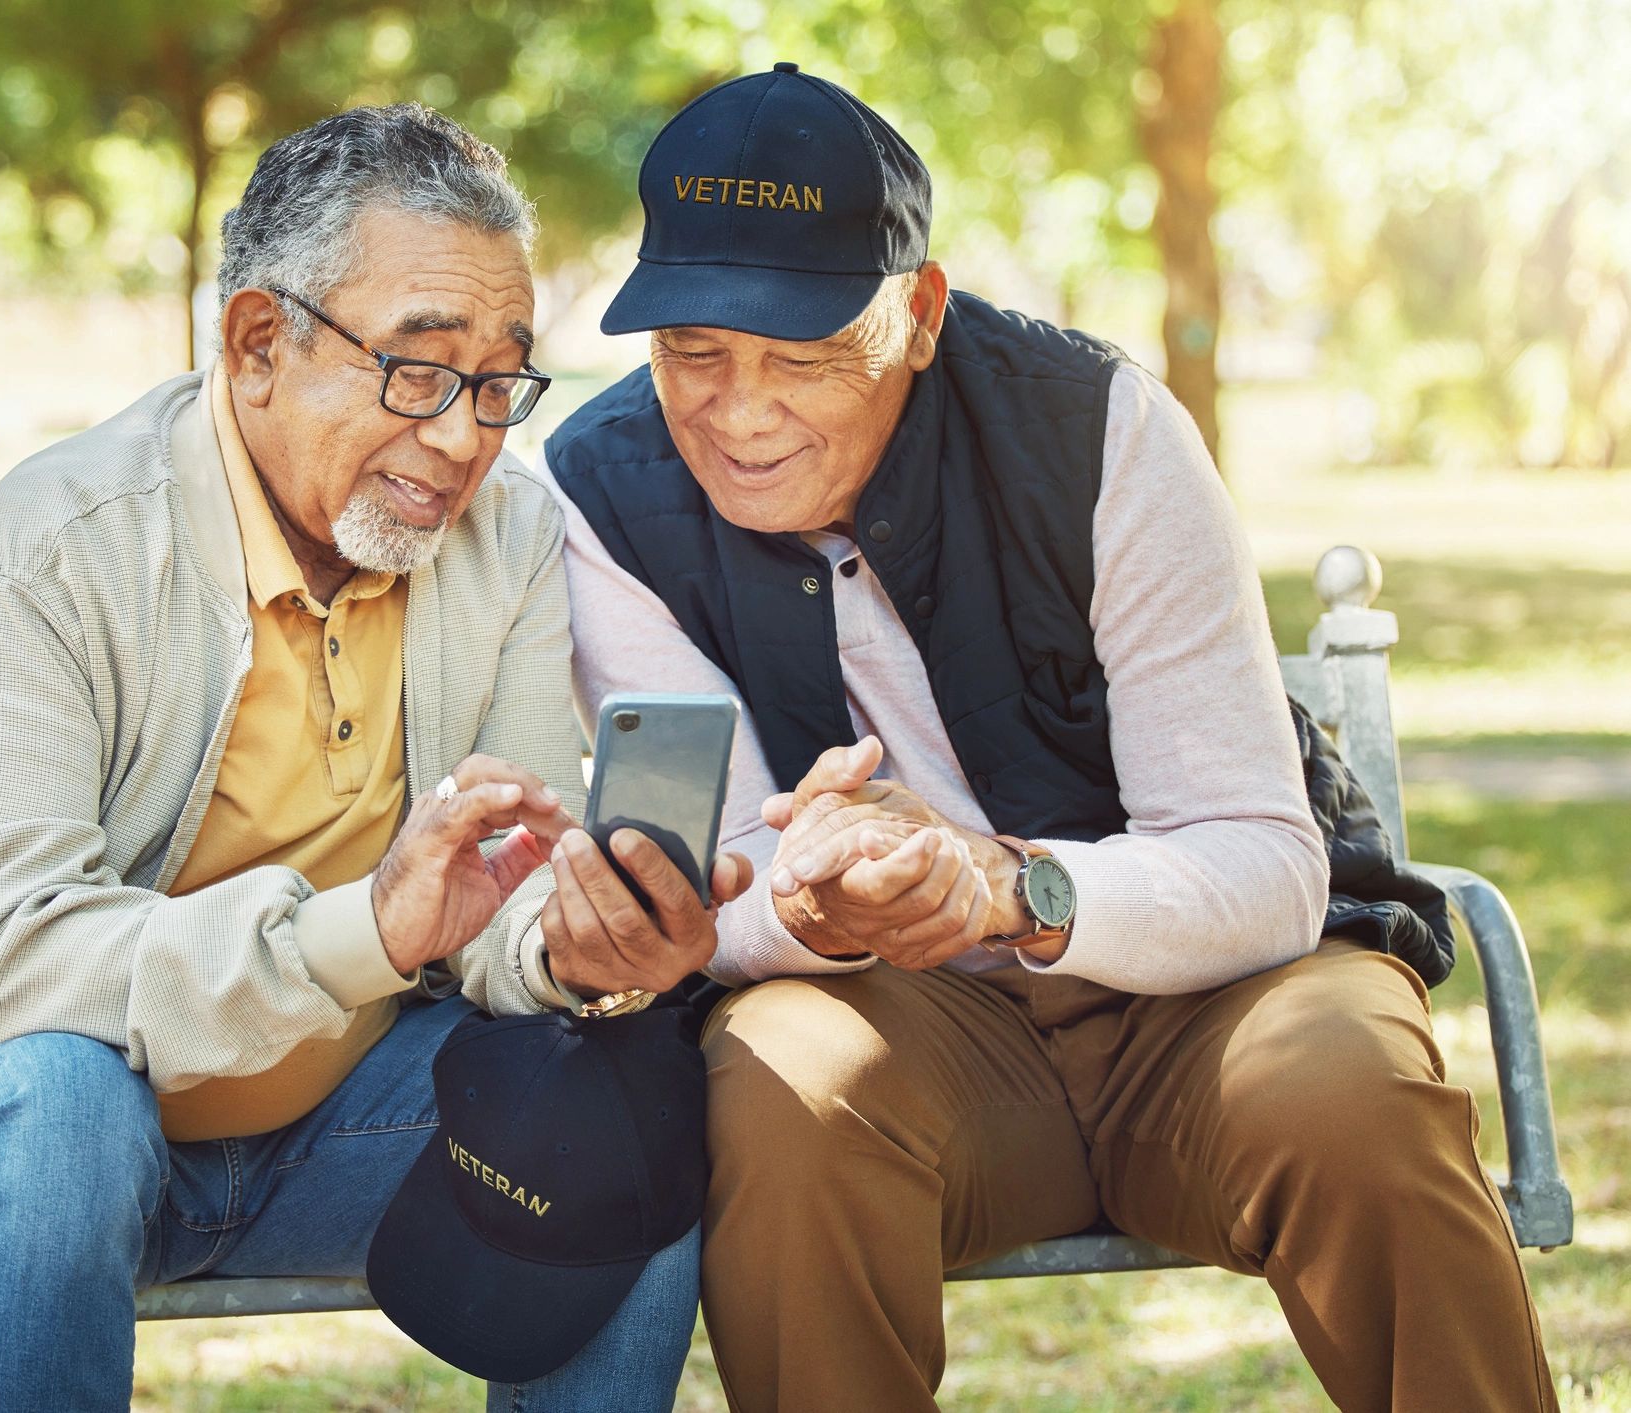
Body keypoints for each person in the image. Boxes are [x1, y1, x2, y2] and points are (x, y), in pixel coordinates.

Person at [542, 64, 1557, 1412]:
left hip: (1211, 994)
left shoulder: (1100, 431)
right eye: (692, 352)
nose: (738, 412)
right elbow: (700, 884)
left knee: (1352, 1088)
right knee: (782, 1083)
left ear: (918, 312)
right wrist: (817, 902)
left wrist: (1001, 883)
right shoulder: (598, 494)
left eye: (799, 354)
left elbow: (1261, 860)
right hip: (903, 1028)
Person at [0, 103, 747, 1413]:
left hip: (329, 1126)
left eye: (500, 380)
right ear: (257, 343)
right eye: (418, 368)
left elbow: (496, 898)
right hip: (9, 1127)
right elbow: (13, 968)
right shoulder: (57, 543)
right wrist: (366, 932)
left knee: (629, 1135)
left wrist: (570, 950)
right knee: (65, 1100)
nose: (463, 435)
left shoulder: (502, 534)